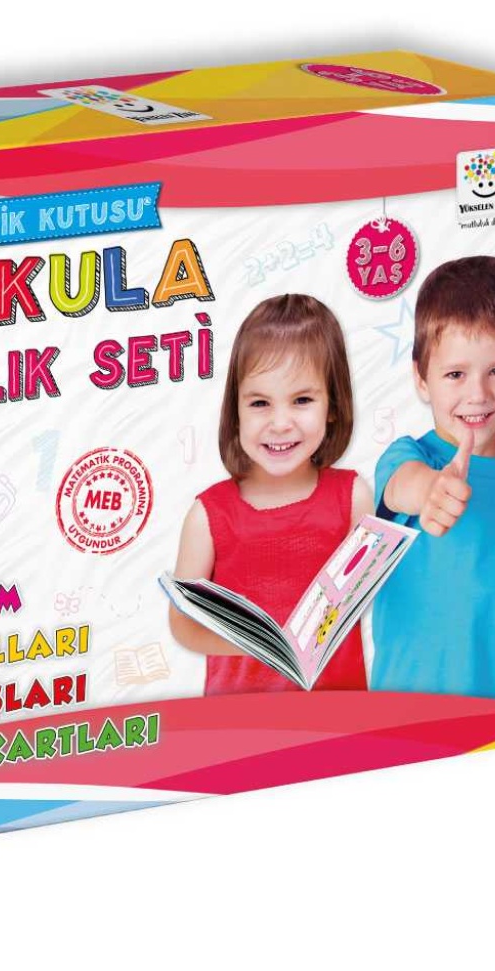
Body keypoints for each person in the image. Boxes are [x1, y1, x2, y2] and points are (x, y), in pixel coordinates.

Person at [371, 256, 495, 704]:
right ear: (421, 378)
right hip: (401, 713)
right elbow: (401, 487)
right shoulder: (407, 457)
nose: (477, 394)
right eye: (455, 374)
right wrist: (430, 491)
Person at [169, 294, 373, 695]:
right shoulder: (208, 516)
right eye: (260, 403)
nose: (280, 423)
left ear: (332, 405)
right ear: (237, 411)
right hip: (241, 722)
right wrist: (256, 646)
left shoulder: (352, 497)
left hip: (339, 716)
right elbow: (184, 623)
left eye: (302, 400)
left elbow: (372, 601)